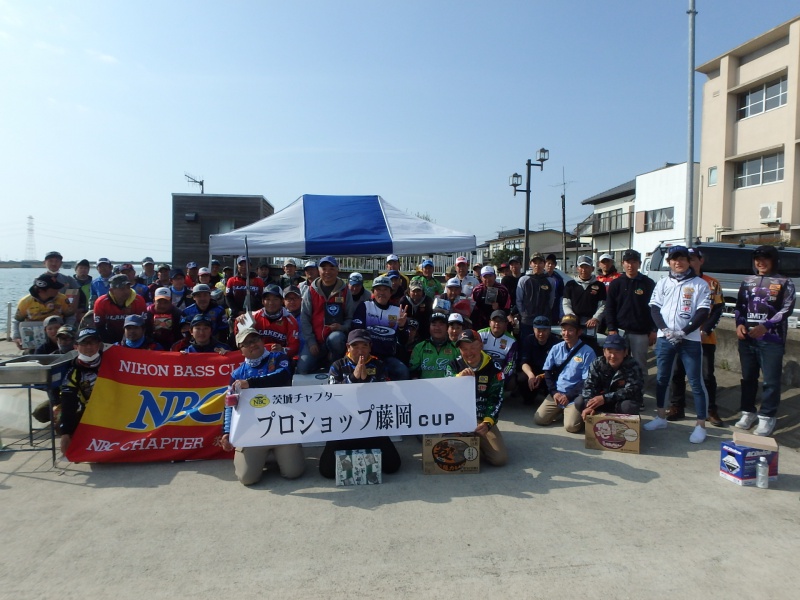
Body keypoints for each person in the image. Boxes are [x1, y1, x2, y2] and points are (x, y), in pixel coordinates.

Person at [220, 328, 304, 485]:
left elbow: (283, 376)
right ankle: (265, 456)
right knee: (247, 479)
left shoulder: (278, 357)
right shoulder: (237, 374)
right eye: (247, 343)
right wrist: (226, 432)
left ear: (262, 341)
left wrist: (251, 383)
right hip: (253, 433)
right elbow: (230, 404)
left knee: (294, 473)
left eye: (255, 340)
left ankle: (277, 454)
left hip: (282, 428)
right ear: (241, 350)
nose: (253, 345)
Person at [645, 245, 711, 444]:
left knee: (696, 382)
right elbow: (655, 308)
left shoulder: (700, 284)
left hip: (689, 340)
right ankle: (661, 417)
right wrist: (665, 330)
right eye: (674, 259)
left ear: (689, 261)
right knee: (662, 379)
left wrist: (684, 331)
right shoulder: (663, 282)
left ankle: (700, 425)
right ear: (669, 262)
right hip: (665, 338)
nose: (678, 262)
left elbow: (703, 312)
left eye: (682, 258)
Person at [319, 329, 403, 479]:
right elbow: (331, 396)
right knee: (327, 471)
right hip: (344, 425)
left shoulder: (379, 365)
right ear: (348, 347)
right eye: (355, 346)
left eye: (364, 346)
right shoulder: (337, 365)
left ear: (370, 347)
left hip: (370, 424)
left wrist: (367, 381)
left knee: (393, 466)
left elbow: (385, 394)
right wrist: (353, 378)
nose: (360, 350)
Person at [734, 244, 796, 436]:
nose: (760, 262)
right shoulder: (747, 281)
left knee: (770, 380)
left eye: (765, 258)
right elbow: (739, 306)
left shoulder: (785, 282)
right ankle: (748, 412)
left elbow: (787, 309)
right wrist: (739, 324)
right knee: (748, 378)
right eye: (757, 259)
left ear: (774, 260)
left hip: (771, 339)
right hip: (747, 338)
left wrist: (766, 326)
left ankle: (767, 417)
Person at [668, 247, 725, 426]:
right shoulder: (677, 282)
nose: (690, 262)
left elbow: (717, 310)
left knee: (706, 375)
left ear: (701, 261)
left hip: (703, 338)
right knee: (677, 373)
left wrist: (705, 329)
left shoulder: (712, 283)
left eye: (693, 259)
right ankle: (677, 406)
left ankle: (710, 409)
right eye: (687, 258)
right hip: (679, 336)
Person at [444, 330, 508, 467]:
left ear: (480, 345)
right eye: (464, 349)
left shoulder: (495, 368)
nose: (469, 352)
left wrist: (488, 422)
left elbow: (497, 398)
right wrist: (457, 379)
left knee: (499, 459)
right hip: (457, 418)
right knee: (450, 456)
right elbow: (444, 390)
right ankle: (470, 441)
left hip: (481, 418)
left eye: (473, 347)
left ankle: (477, 441)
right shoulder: (453, 365)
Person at [534, 315, 597, 432]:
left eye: (570, 330)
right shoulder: (556, 348)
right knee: (539, 419)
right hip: (558, 393)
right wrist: (554, 393)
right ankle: (562, 411)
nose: (566, 333)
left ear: (579, 332)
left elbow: (586, 381)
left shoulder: (588, 352)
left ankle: (574, 412)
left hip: (575, 396)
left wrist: (568, 396)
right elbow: (547, 372)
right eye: (563, 330)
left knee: (571, 427)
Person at [297, 256, 355, 374]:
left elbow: (350, 317)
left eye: (331, 268)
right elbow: (304, 318)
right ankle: (322, 360)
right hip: (316, 339)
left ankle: (333, 363)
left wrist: (342, 327)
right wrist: (311, 341)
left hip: (336, 338)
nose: (327, 272)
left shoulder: (345, 291)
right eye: (324, 268)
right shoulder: (311, 290)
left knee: (336, 339)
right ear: (319, 270)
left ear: (337, 270)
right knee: (302, 369)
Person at [604, 248, 656, 375]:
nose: (630, 265)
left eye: (634, 262)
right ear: (623, 263)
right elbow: (609, 307)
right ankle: (618, 393)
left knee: (640, 366)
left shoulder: (648, 283)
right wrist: (611, 329)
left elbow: (655, 309)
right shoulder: (616, 283)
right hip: (619, 332)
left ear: (639, 263)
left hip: (640, 332)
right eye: (627, 262)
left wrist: (653, 330)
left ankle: (638, 393)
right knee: (617, 364)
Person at [352, 276, 410, 380]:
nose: (382, 293)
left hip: (387, 357)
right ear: (373, 291)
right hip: (366, 356)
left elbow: (403, 341)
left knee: (403, 371)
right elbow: (356, 332)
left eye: (385, 289)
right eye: (378, 289)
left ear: (390, 292)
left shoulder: (397, 310)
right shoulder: (364, 306)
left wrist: (401, 327)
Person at [57, 328, 104, 455]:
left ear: (99, 345)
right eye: (84, 343)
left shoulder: (113, 362)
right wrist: (65, 433)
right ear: (76, 346)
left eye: (93, 342)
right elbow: (68, 402)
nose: (89, 347)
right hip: (89, 412)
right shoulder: (73, 372)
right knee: (60, 421)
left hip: (114, 409)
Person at [578, 333, 644, 420]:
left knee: (629, 406)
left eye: (617, 352)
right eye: (610, 352)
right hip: (601, 402)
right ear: (604, 352)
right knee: (579, 401)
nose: (613, 356)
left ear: (625, 352)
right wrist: (590, 405)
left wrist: (605, 398)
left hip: (619, 403)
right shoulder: (597, 363)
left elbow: (632, 390)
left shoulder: (633, 365)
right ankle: (593, 417)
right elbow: (589, 385)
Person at [13, 274, 76, 351]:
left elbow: (70, 316)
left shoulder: (62, 299)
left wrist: (66, 332)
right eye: (54, 288)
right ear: (41, 290)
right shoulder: (25, 302)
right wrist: (17, 337)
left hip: (58, 338)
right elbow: (17, 321)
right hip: (33, 339)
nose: (58, 290)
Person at [238, 283, 300, 361]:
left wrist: (282, 350)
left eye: (275, 299)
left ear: (282, 301)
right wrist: (240, 322)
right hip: (256, 358)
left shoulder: (291, 320)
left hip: (279, 358)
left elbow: (294, 347)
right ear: (263, 301)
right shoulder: (252, 317)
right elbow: (240, 344)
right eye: (268, 299)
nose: (271, 303)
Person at [562, 255, 606, 350]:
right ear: (578, 268)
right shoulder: (570, 285)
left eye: (587, 267)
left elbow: (603, 305)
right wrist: (572, 317)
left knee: (590, 348)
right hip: (574, 322)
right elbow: (566, 303)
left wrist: (595, 319)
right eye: (581, 267)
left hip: (591, 324)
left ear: (592, 268)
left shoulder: (600, 285)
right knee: (573, 348)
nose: (584, 270)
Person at [93, 274, 147, 344]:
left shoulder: (139, 300)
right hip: (109, 336)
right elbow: (99, 326)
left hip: (134, 338)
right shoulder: (101, 302)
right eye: (122, 289)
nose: (126, 291)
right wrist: (110, 344)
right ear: (112, 290)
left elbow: (144, 325)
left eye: (128, 287)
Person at [517, 316, 559, 406]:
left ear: (549, 330)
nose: (541, 334)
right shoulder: (528, 340)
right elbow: (524, 362)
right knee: (522, 378)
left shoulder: (557, 343)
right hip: (534, 372)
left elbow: (558, 367)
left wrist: (542, 376)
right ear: (533, 329)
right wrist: (530, 375)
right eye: (538, 330)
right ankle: (529, 398)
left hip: (549, 373)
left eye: (544, 330)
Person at [516, 253, 555, 343]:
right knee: (526, 344)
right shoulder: (524, 279)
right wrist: (524, 314)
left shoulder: (550, 280)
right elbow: (519, 299)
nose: (537, 265)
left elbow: (551, 300)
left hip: (544, 320)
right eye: (535, 263)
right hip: (527, 321)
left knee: (543, 345)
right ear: (530, 264)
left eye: (540, 262)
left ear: (544, 264)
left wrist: (545, 313)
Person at [408, 311, 459, 379]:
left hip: (449, 387)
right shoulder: (419, 347)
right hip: (425, 387)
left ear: (447, 327)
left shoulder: (457, 347)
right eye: (434, 324)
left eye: (441, 324)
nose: (437, 328)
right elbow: (413, 371)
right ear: (429, 327)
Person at [478, 310, 518, 385]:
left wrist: (499, 378)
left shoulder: (511, 341)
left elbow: (510, 364)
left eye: (500, 321)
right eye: (494, 321)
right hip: (480, 369)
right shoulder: (480, 334)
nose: (497, 323)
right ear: (490, 322)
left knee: (512, 381)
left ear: (506, 324)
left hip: (498, 372)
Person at [471, 265, 510, 331]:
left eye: (490, 276)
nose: (488, 279)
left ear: (495, 276)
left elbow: (507, 308)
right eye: (485, 277)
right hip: (480, 324)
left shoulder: (503, 290)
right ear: (481, 278)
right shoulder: (477, 290)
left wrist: (498, 308)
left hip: (497, 324)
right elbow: (473, 308)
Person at [544, 254, 564, 324]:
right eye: (548, 263)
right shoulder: (540, 277)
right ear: (544, 264)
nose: (550, 265)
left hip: (554, 311)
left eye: (552, 264)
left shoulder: (558, 279)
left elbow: (561, 297)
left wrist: (561, 314)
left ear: (555, 265)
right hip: (541, 310)